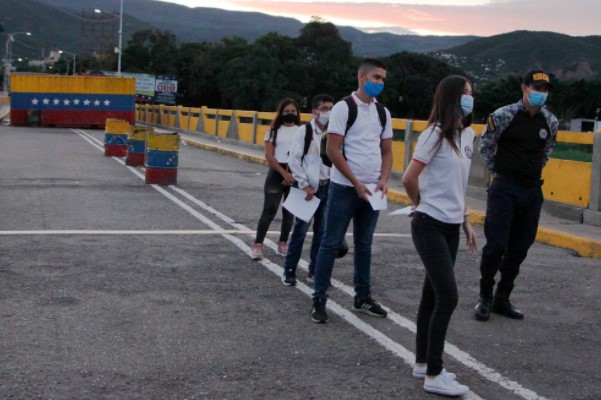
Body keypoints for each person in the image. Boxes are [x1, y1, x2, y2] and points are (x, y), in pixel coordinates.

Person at [402, 75, 477, 397]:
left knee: (432, 296)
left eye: (471, 94)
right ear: (450, 98)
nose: (469, 99)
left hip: (451, 226)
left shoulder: (468, 135)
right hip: (429, 224)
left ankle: (422, 362)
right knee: (448, 297)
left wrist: (466, 221)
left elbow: (457, 187)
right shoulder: (434, 134)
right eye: (464, 94)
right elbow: (408, 178)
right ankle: (435, 372)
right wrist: (421, 204)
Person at [310, 58, 393, 323]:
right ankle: (319, 299)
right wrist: (356, 183)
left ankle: (362, 298)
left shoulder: (383, 112)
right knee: (330, 242)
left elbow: (387, 151)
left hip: (372, 190)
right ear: (362, 77)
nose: (380, 83)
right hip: (345, 187)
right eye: (376, 78)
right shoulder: (344, 108)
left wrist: (384, 179)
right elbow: (333, 150)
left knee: (364, 245)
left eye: (382, 79)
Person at [474, 70, 558, 321]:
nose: (540, 93)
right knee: (496, 244)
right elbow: (486, 145)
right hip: (504, 187)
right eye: (536, 88)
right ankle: (485, 298)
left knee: (521, 246)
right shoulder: (503, 115)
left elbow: (546, 153)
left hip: (531, 189)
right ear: (524, 87)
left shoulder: (550, 121)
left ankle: (503, 297)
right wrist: (499, 171)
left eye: (544, 89)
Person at [282, 94, 335, 286]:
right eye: (324, 108)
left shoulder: (333, 132)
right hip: (307, 189)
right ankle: (289, 269)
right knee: (300, 231)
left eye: (331, 108)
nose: (328, 112)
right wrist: (305, 185)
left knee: (322, 233)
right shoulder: (304, 132)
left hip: (327, 187)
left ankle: (314, 271)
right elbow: (294, 160)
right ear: (314, 111)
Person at [251, 99, 300, 260]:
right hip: (276, 172)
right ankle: (258, 245)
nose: (290, 114)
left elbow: (304, 155)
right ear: (281, 113)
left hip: (295, 173)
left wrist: (291, 173)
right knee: (269, 210)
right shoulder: (273, 131)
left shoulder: (302, 131)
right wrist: (284, 173)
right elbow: (269, 155)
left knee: (289, 212)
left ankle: (283, 243)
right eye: (287, 111)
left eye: (293, 111)